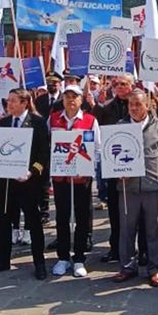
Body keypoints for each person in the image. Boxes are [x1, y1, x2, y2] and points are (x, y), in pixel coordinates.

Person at [111, 89, 158, 287]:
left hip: (153, 187)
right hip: (127, 188)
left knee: (154, 230)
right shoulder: (120, 127)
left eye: (138, 104)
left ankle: (155, 269)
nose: (134, 108)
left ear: (147, 105)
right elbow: (110, 156)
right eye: (131, 105)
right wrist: (116, 172)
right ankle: (127, 266)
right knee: (127, 230)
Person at [0, 88, 51, 279]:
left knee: (34, 222)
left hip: (28, 183)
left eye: (14, 101)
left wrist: (32, 171)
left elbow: (43, 154)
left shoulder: (37, 122)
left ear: (24, 103)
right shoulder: (4, 122)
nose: (9, 104)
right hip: (5, 183)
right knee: (4, 221)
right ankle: (3, 261)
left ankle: (39, 263)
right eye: (8, 101)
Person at [48, 84, 99, 278]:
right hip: (61, 177)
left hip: (81, 178)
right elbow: (48, 144)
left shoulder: (90, 120)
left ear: (81, 100)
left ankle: (78, 258)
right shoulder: (53, 119)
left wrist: (89, 170)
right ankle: (62, 257)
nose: (71, 100)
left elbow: (97, 148)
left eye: (75, 97)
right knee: (61, 217)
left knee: (82, 217)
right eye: (67, 96)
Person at [94, 74, 134, 263]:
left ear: (131, 86)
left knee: (136, 210)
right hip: (113, 163)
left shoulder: (140, 103)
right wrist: (96, 104)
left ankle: (137, 249)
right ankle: (115, 248)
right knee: (115, 210)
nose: (119, 87)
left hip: (135, 164)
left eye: (123, 84)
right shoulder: (108, 106)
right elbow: (95, 122)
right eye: (116, 84)